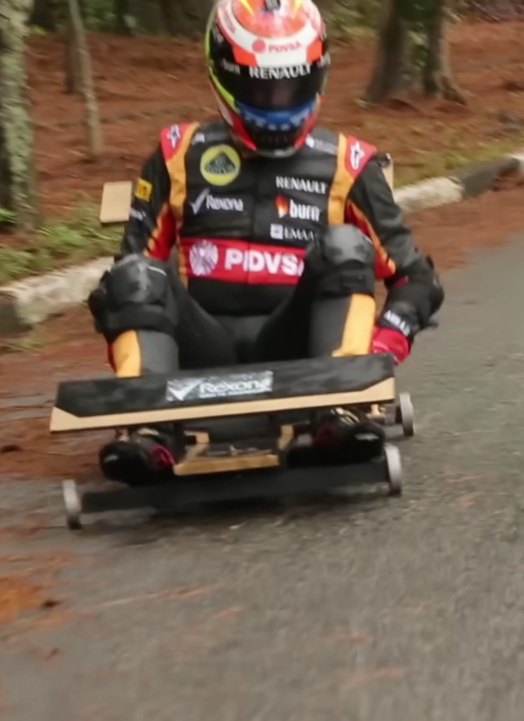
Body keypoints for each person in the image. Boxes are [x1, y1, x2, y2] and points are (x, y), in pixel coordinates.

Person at [87, 0, 445, 484]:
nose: (277, 101)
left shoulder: (350, 163)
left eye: (291, 84)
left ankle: (339, 411)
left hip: (301, 351)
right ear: (223, 73)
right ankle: (149, 428)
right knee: (132, 276)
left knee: (344, 246)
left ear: (316, 75)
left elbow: (416, 279)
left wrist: (378, 354)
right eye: (260, 86)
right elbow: (129, 282)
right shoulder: (177, 156)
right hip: (201, 349)